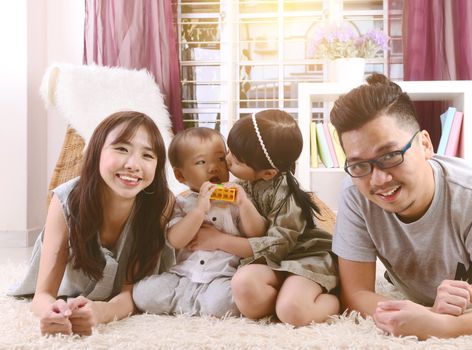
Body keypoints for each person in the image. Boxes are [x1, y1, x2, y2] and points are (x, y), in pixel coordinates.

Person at [329, 73, 472, 339]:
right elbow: (354, 294)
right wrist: (423, 313)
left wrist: (439, 325)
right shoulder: (356, 191)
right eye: (359, 164)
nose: (378, 180)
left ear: (425, 144)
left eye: (390, 155)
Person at [8, 111, 174, 336]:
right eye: (122, 149)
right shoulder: (66, 199)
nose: (133, 164)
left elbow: (131, 293)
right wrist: (53, 312)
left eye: (147, 155)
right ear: (96, 152)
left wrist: (101, 312)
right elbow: (43, 294)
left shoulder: (160, 203)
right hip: (72, 290)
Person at [190, 110, 340, 326]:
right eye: (229, 151)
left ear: (268, 173)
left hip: (305, 259)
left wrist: (218, 240)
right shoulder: (243, 185)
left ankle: (335, 297)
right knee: (243, 286)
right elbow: (254, 232)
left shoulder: (287, 196)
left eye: (237, 160)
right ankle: (286, 295)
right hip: (273, 265)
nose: (228, 160)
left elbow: (275, 247)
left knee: (292, 311)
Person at [133, 127, 266, 317]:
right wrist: (199, 210)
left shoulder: (236, 201)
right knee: (142, 293)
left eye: (221, 159)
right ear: (180, 176)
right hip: (182, 277)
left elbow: (258, 235)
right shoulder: (180, 203)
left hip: (222, 278)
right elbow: (176, 240)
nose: (213, 168)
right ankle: (195, 304)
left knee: (224, 301)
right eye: (201, 162)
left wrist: (244, 204)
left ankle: (192, 306)